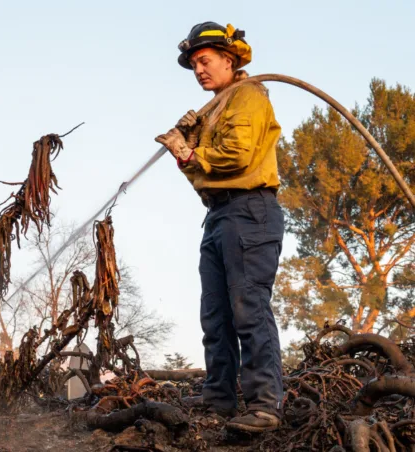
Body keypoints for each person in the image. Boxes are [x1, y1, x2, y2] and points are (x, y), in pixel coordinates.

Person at [154, 22, 285, 433]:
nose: (199, 70)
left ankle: (264, 405)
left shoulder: (246, 95)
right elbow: (204, 179)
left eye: (205, 61)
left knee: (248, 308)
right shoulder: (216, 109)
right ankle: (219, 401)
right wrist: (189, 149)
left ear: (229, 59)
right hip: (219, 214)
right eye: (194, 64)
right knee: (215, 314)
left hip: (250, 211)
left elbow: (239, 156)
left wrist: (191, 150)